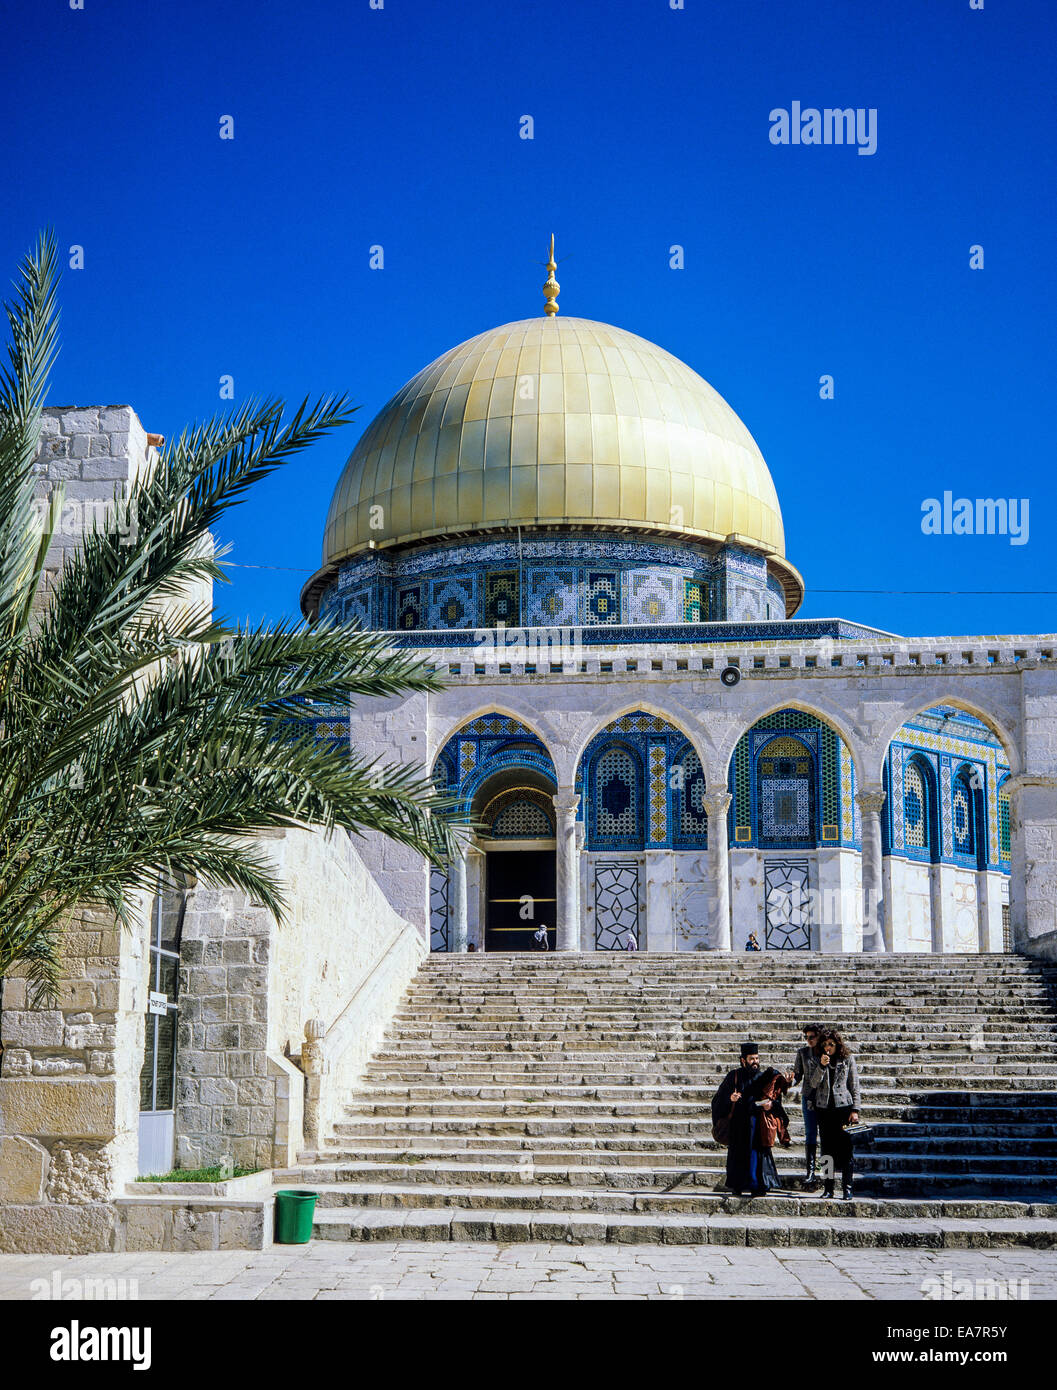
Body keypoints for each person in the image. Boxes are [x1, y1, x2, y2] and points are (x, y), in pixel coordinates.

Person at [711, 1042, 794, 1197]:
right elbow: (718, 1100)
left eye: (756, 1058)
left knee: (759, 1155)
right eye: (751, 1059)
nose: (755, 1062)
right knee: (739, 1155)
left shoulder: (766, 1076)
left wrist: (771, 1105)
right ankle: (738, 1186)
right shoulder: (733, 1076)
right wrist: (730, 1098)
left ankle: (758, 1186)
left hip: (758, 1124)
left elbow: (776, 1098)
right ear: (743, 1060)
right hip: (739, 1124)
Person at [805, 1028, 861, 1200]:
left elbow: (854, 1086)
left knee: (846, 1150)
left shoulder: (847, 1060)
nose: (828, 1048)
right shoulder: (817, 1060)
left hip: (843, 1108)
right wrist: (821, 1066)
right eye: (825, 1045)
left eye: (831, 1044)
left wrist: (855, 1110)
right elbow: (813, 1084)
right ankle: (828, 1188)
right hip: (824, 1110)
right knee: (826, 1151)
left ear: (837, 1044)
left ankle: (847, 1188)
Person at [792, 1023, 822, 1187]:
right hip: (809, 1098)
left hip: (826, 1100)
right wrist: (791, 1081)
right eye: (806, 1037)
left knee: (827, 1138)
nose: (809, 1040)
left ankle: (827, 1173)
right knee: (810, 1134)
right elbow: (798, 1074)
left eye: (812, 1037)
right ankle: (810, 1172)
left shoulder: (827, 1052)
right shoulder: (803, 1053)